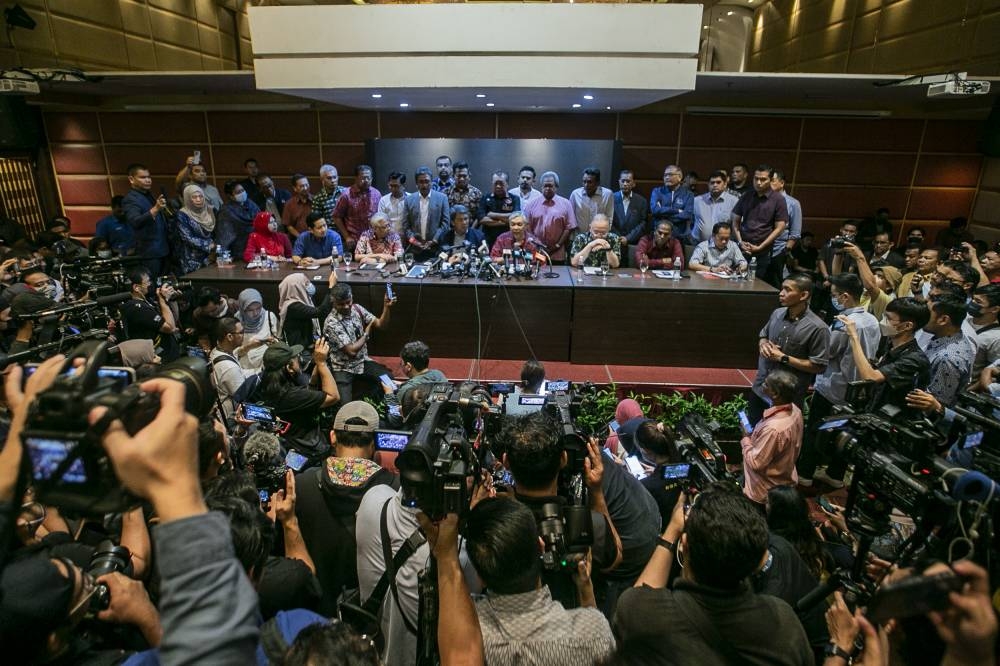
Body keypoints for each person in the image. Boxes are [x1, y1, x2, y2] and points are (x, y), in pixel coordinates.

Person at [614, 483, 813, 666]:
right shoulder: (784, 624)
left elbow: (639, 595)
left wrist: (672, 530)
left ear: (685, 546)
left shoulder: (641, 612)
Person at [445, 497, 616, 665]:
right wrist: (586, 591)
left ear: (480, 577)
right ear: (541, 545)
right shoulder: (594, 632)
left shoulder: (462, 633)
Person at [498, 413, 623, 606]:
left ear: (506, 462)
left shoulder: (496, 527)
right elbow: (614, 558)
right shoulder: (590, 525)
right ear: (563, 459)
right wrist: (596, 491)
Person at [294, 401, 399, 616]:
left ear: (333, 437)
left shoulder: (300, 485)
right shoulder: (395, 491)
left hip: (313, 613)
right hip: (371, 617)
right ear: (375, 441)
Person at [798, 273, 880, 487]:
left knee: (816, 431)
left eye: (835, 295)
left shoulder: (844, 323)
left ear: (845, 296)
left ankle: (805, 474)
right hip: (858, 390)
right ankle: (835, 475)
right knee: (845, 436)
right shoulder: (871, 320)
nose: (833, 299)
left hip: (832, 388)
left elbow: (829, 351)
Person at [750, 273, 830, 425]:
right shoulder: (777, 313)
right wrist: (763, 344)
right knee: (753, 433)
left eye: (787, 290)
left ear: (803, 295)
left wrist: (783, 358)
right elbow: (763, 334)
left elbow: (819, 366)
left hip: (786, 399)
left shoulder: (818, 328)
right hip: (760, 388)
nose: (781, 293)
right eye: (782, 288)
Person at [257, 340, 340, 464]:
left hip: (290, 448)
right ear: (289, 367)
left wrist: (313, 380)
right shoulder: (291, 396)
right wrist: (322, 363)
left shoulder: (266, 386)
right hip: (309, 452)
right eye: (296, 358)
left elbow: (302, 400)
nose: (299, 360)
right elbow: (333, 397)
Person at [323, 282, 395, 404]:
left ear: (352, 298)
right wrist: (366, 334)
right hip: (343, 368)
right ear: (333, 302)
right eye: (341, 304)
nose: (346, 306)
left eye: (348, 302)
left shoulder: (357, 308)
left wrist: (386, 307)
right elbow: (351, 351)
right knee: (345, 406)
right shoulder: (331, 323)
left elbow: (381, 325)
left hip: (362, 361)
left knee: (389, 381)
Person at [741, 369, 803, 507]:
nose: (762, 385)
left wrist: (746, 438)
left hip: (763, 491)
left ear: (775, 394)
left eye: (766, 384)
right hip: (782, 481)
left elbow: (756, 463)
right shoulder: (796, 411)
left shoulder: (773, 429)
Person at [732, 165, 788, 282]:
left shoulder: (778, 199)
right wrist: (740, 241)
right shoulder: (746, 195)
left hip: (763, 251)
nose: (758, 182)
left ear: (771, 180)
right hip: (742, 248)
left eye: (763, 179)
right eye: (756, 178)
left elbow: (780, 228)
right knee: (736, 281)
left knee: (757, 283)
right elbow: (735, 221)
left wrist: (760, 246)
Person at [923, 293, 977, 407]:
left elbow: (933, 406)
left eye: (927, 313)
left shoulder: (947, 358)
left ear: (943, 319)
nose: (921, 316)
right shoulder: (949, 337)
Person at [120, 267, 180, 362]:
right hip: (159, 360)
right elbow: (170, 328)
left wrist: (171, 300)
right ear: (136, 287)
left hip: (168, 355)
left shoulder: (147, 300)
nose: (151, 284)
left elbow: (173, 321)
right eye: (147, 282)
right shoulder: (136, 308)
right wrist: (162, 300)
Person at [122, 163, 170, 276]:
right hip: (149, 253)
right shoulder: (130, 199)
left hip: (163, 249)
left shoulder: (149, 195)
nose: (148, 180)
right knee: (151, 285)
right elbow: (135, 221)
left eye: (149, 177)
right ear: (131, 179)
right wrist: (155, 209)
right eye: (143, 177)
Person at [209, 317, 257, 420]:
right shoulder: (228, 367)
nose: (243, 335)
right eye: (241, 332)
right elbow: (243, 396)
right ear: (230, 337)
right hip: (231, 419)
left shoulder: (217, 351)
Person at [524, 171, 577, 263]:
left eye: (550, 186)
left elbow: (568, 228)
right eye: (545, 186)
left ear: (556, 187)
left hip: (558, 252)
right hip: (536, 251)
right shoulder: (531, 205)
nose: (547, 188)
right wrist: (537, 245)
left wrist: (557, 245)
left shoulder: (566, 204)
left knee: (559, 276)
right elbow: (527, 228)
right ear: (541, 187)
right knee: (537, 276)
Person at [278, 271, 336, 351]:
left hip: (309, 343)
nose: (310, 285)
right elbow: (321, 312)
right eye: (306, 283)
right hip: (300, 350)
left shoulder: (304, 298)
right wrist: (331, 287)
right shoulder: (293, 306)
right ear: (297, 287)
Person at [402, 167, 450, 261]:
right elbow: (405, 225)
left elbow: (445, 223)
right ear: (416, 184)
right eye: (421, 182)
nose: (424, 185)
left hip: (435, 248)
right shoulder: (409, 200)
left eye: (427, 181)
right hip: (415, 249)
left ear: (432, 182)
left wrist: (434, 240)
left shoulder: (442, 198)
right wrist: (414, 241)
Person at [332, 164, 381, 252]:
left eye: (368, 178)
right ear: (356, 178)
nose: (366, 180)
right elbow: (336, 216)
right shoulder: (346, 195)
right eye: (363, 178)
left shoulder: (376, 194)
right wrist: (346, 236)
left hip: (373, 241)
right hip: (354, 240)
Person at [767, 169, 802, 287]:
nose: (768, 183)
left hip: (779, 249)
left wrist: (786, 251)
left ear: (782, 183)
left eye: (772, 181)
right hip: (760, 248)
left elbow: (795, 232)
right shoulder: (762, 200)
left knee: (777, 283)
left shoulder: (793, 203)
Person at [172, 184, 215, 275]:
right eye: (194, 197)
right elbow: (187, 237)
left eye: (200, 196)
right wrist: (208, 245)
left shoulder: (210, 210)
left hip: (212, 256)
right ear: (187, 198)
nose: (198, 200)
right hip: (192, 258)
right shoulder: (182, 215)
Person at [236, 287, 279, 371]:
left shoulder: (269, 316)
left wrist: (274, 342)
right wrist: (248, 347)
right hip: (245, 368)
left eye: (258, 308)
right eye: (250, 310)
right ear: (243, 309)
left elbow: (279, 339)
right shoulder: (237, 322)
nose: (255, 313)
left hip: (266, 366)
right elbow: (233, 352)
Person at [216, 179, 260, 261]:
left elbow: (260, 221)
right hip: (237, 251)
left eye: (242, 190)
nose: (242, 193)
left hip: (255, 247)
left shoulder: (251, 204)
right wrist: (223, 256)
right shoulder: (226, 211)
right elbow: (223, 235)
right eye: (238, 192)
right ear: (230, 196)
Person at [611, 169, 650, 264]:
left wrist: (628, 238)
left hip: (633, 243)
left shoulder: (641, 201)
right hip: (614, 242)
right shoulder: (611, 198)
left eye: (628, 181)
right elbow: (608, 220)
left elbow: (643, 223)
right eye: (623, 181)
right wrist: (619, 238)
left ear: (633, 183)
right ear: (619, 182)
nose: (625, 184)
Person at [649, 164, 694, 242]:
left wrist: (663, 216)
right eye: (665, 175)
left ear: (679, 177)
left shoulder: (688, 194)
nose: (666, 177)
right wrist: (676, 211)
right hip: (659, 237)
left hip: (679, 236)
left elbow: (687, 214)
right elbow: (654, 210)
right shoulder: (657, 191)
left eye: (670, 175)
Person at [477, 170, 521, 248]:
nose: (498, 186)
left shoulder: (514, 199)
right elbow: (482, 219)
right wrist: (505, 222)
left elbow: (516, 217)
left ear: (507, 184)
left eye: (501, 183)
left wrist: (492, 214)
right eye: (495, 183)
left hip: (508, 240)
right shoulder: (485, 197)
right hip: (488, 240)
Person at [692, 170, 738, 243]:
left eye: (718, 182)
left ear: (725, 184)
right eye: (712, 183)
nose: (715, 185)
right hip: (698, 243)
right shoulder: (697, 200)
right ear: (708, 185)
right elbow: (690, 220)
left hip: (723, 245)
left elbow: (736, 225)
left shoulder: (734, 201)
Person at [395, 340, 447, 406]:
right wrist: (403, 384)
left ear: (408, 366)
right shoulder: (438, 374)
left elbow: (394, 415)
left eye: (401, 363)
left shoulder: (406, 390)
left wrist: (389, 393)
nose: (401, 365)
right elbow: (426, 382)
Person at [569, 167, 614, 235]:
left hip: (598, 237)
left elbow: (609, 217)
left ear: (597, 183)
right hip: (578, 237)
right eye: (584, 181)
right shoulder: (575, 194)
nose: (586, 185)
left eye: (590, 182)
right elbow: (570, 217)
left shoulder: (607, 194)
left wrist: (604, 234)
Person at [969, 284, 1000, 375]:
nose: (972, 303)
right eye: (973, 299)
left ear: (994, 309)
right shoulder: (964, 316)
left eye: (978, 302)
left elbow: (992, 371)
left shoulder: (996, 338)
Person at [446, 162, 483, 227]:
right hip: (450, 232)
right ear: (453, 176)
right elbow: (444, 216)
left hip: (471, 231)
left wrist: (471, 231)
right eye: (459, 176)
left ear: (469, 176)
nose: (462, 179)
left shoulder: (477, 193)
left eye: (464, 176)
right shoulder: (445, 193)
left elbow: (479, 216)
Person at [282, 173, 314, 240]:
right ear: (295, 188)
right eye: (302, 186)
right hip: (297, 239)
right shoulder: (289, 204)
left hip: (316, 237)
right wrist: (300, 237)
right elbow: (288, 225)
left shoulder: (316, 200)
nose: (305, 188)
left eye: (306, 185)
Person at [378, 170, 408, 235]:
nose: (393, 189)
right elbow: (381, 221)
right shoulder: (383, 200)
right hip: (389, 237)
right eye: (391, 186)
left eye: (396, 186)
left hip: (408, 238)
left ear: (403, 185)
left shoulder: (410, 199)